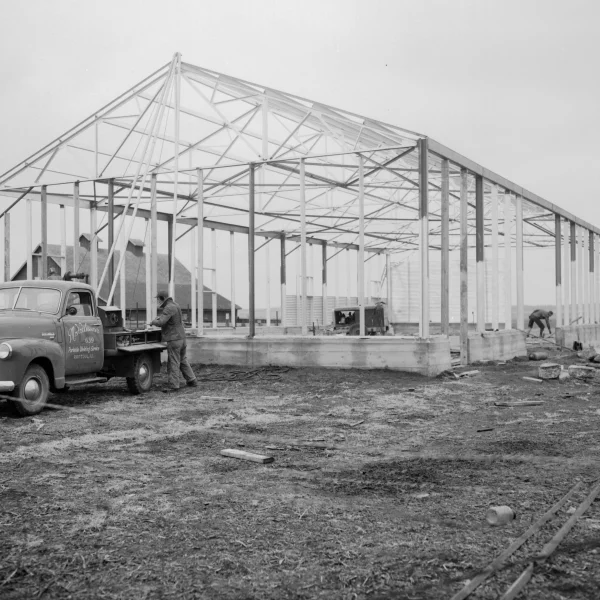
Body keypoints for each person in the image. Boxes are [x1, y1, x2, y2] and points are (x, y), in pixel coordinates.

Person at [150, 291, 198, 393]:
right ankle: (192, 380)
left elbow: (161, 322)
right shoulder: (176, 305)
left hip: (174, 339)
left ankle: (174, 385)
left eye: (158, 299)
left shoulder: (168, 308)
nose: (157, 301)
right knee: (182, 360)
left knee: (173, 362)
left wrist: (153, 321)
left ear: (162, 298)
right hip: (182, 337)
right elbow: (172, 320)